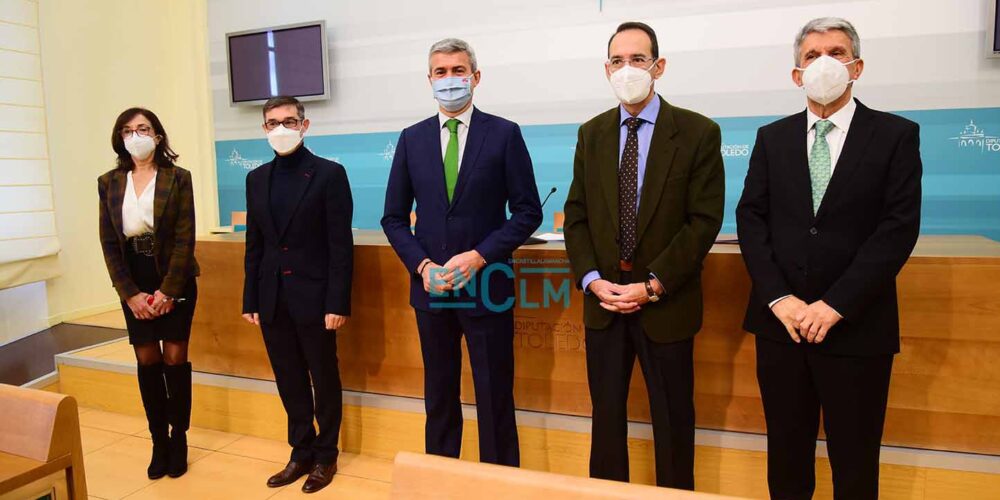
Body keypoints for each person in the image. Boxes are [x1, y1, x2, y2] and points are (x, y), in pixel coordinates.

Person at [736, 17, 922, 500]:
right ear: (796, 75)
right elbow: (751, 221)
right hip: (782, 327)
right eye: (811, 55)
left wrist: (835, 304)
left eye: (836, 53)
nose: (824, 63)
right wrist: (779, 298)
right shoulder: (771, 138)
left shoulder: (896, 135)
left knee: (855, 466)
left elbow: (896, 230)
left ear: (856, 66)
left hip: (856, 328)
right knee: (787, 462)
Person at [563, 22, 725, 489]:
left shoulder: (697, 132)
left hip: (666, 304)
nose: (627, 69)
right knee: (606, 420)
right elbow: (576, 216)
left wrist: (653, 285)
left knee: (674, 422)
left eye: (638, 59)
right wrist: (593, 280)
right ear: (606, 69)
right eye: (617, 61)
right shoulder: (592, 134)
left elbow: (703, 222)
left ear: (659, 66)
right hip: (605, 303)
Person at [381, 38, 542, 467]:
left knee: (494, 398)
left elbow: (528, 212)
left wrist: (479, 256)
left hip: (486, 286)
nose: (449, 80)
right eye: (440, 72)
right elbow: (393, 218)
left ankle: (500, 484)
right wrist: (422, 265)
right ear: (429, 80)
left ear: (476, 76)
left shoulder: (504, 134)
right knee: (439, 398)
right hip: (431, 292)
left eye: (458, 71)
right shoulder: (411, 139)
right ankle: (441, 481)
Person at [241, 96, 354, 494]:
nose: (281, 128)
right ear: (264, 129)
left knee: (323, 378)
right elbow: (254, 245)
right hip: (272, 297)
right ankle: (300, 450)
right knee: (289, 379)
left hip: (316, 298)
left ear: (305, 126)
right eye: (273, 122)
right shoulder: (256, 179)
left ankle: (326, 456)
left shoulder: (328, 175)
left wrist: (338, 303)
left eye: (289, 121)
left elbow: (341, 246)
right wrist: (250, 299)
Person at [98, 107, 199, 479]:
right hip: (133, 280)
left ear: (157, 136)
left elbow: (185, 238)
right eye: (127, 130)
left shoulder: (178, 178)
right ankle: (159, 440)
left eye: (143, 128)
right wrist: (130, 295)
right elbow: (109, 242)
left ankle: (179, 437)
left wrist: (169, 292)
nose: (135, 135)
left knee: (174, 359)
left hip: (175, 277)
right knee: (147, 362)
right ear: (120, 138)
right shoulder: (108, 182)